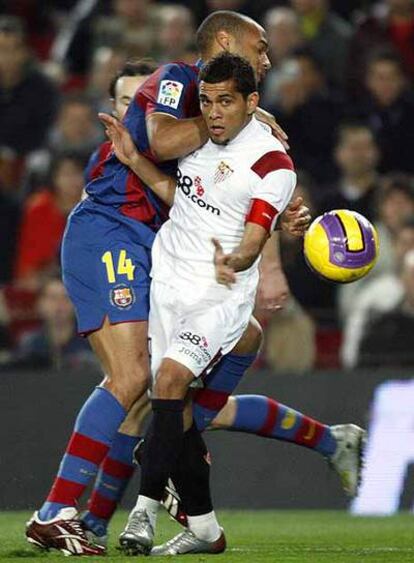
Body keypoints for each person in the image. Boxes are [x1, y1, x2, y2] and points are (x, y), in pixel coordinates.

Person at [24, 11, 348, 557]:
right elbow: (161, 137)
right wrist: (236, 115)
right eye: (259, 46)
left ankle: (154, 466)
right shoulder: (180, 81)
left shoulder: (231, 124)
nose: (267, 58)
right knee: (132, 379)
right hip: (113, 229)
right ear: (224, 42)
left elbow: (228, 195)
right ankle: (59, 510)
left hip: (162, 244)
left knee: (239, 341)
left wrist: (272, 219)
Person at [113, 52, 364, 556]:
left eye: (225, 101)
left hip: (218, 296)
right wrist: (136, 160)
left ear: (252, 102)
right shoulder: (197, 139)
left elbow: (252, 238)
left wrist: (239, 258)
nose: (214, 112)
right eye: (206, 101)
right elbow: (183, 200)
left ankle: (140, 516)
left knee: (167, 384)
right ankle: (205, 530)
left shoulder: (273, 163)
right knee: (176, 413)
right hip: (168, 284)